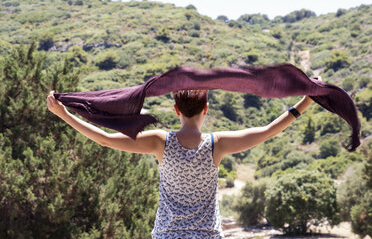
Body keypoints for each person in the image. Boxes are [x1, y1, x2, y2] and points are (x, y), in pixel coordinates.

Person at [47, 83, 317, 238]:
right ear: (206, 108)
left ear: (176, 109)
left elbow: (105, 139)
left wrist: (64, 115)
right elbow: (267, 131)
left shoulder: (158, 141)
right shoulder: (217, 144)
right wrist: (304, 103)